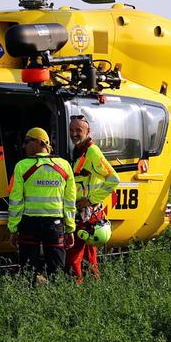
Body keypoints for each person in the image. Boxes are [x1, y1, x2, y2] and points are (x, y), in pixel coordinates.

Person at [7, 127, 75, 283]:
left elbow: (16, 202)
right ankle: (57, 296)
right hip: (55, 225)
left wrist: (13, 229)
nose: (23, 146)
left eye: (27, 141)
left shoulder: (22, 166)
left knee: (28, 271)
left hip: (29, 224)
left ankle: (30, 296)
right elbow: (69, 202)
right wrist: (70, 228)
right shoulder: (64, 166)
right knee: (57, 272)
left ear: (40, 142)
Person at [65, 115, 120, 282]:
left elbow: (114, 179)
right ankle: (93, 286)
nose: (74, 134)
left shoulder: (92, 152)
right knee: (90, 257)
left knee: (73, 256)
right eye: (71, 130)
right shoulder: (79, 151)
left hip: (86, 214)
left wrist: (90, 200)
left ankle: (75, 287)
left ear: (88, 132)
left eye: (78, 130)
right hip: (85, 214)